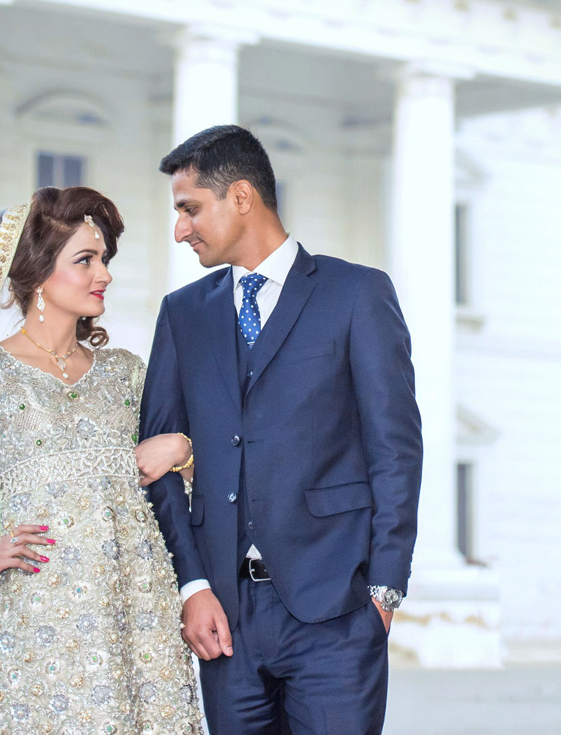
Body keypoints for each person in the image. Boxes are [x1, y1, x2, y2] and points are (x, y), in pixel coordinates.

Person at [0, 186, 203, 735]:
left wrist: (186, 451)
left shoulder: (125, 373)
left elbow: (196, 478)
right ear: (37, 272)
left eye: (105, 259)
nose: (105, 275)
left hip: (142, 616)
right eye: (86, 260)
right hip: (48, 623)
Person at [140, 125, 422, 735]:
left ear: (241, 197)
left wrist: (385, 592)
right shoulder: (182, 314)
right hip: (225, 622)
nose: (180, 229)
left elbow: (395, 449)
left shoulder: (356, 294)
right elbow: (155, 462)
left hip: (338, 613)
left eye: (189, 208)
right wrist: (192, 585)